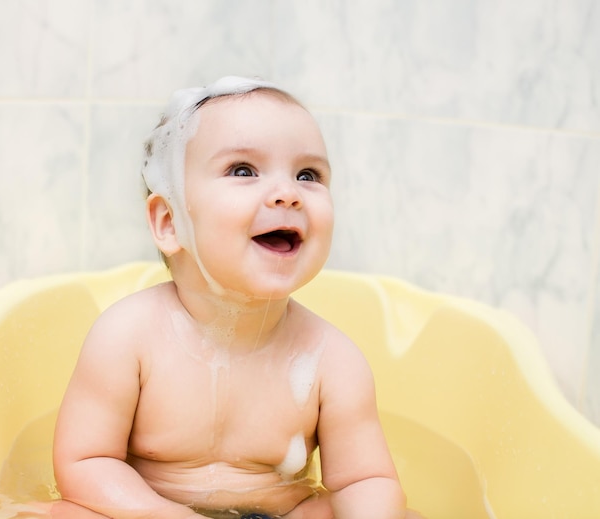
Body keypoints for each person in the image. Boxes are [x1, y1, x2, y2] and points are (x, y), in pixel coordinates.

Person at [52, 76, 408, 519]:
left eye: (308, 175)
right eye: (244, 170)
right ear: (169, 221)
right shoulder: (128, 335)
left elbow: (364, 480)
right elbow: (85, 463)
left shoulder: (332, 360)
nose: (288, 194)